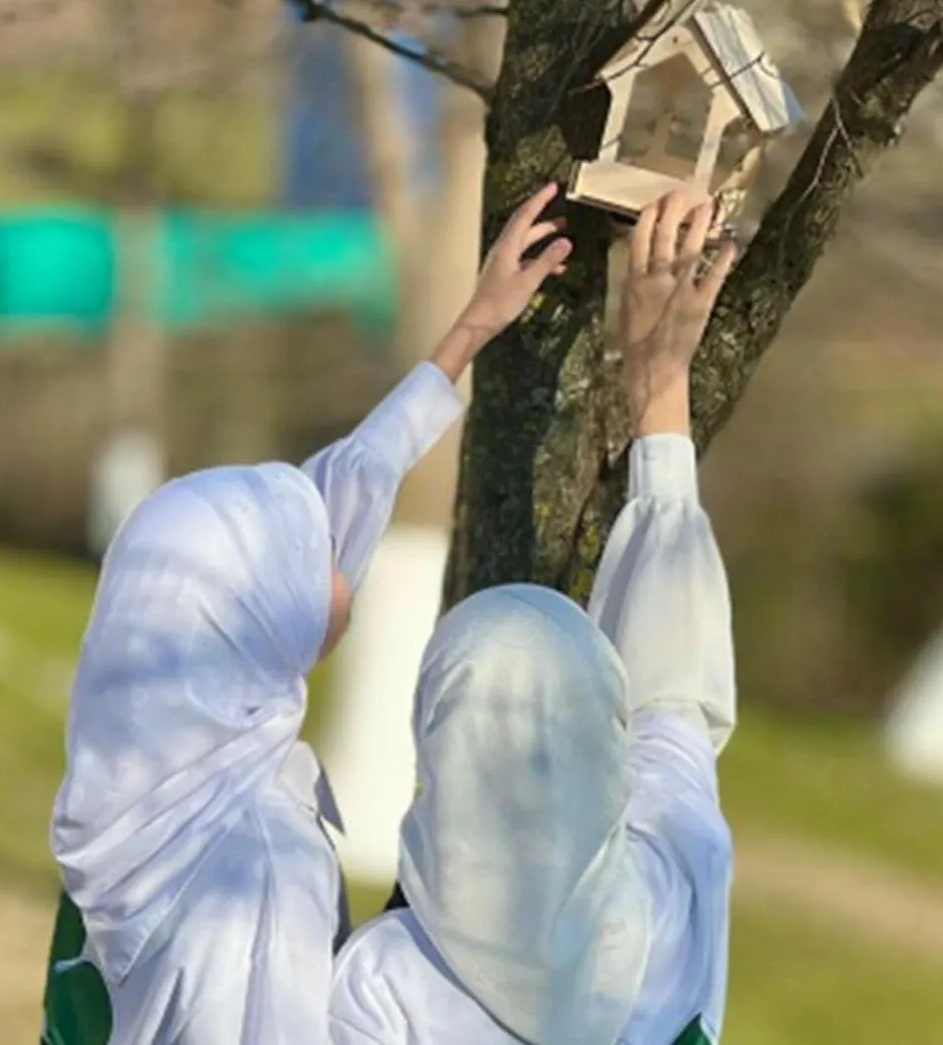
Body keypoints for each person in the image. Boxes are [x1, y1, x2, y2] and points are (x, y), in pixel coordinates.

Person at [40, 184, 573, 1045]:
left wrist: (469, 330)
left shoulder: (140, 796)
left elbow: (345, 484)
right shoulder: (254, 873)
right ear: (250, 624)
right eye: (306, 555)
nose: (338, 552)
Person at [328, 190, 741, 1045]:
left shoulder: (385, 985)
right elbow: (677, 697)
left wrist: (467, 336)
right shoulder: (673, 905)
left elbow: (217, 622)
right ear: (601, 729)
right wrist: (658, 386)